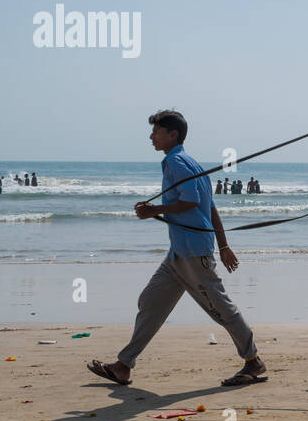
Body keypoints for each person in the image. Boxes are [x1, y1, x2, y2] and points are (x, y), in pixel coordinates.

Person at [87, 109, 266, 388]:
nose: (151, 136)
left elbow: (192, 201)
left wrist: (154, 210)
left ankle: (253, 362)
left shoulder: (177, 163)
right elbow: (210, 207)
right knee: (151, 302)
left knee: (222, 311)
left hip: (194, 254)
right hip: (178, 254)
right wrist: (224, 245)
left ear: (173, 135)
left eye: (156, 132)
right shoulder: (191, 163)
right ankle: (123, 366)